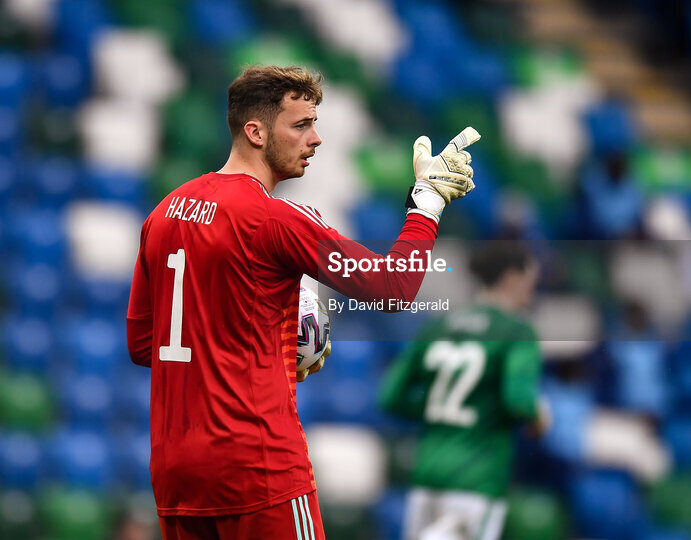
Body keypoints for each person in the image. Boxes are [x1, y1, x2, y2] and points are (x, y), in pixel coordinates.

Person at [125, 65, 480, 540]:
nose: (315, 139)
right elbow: (393, 288)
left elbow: (144, 344)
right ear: (255, 131)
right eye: (300, 125)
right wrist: (428, 204)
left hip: (177, 474)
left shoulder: (163, 212)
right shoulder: (274, 218)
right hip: (258, 466)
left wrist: (251, 343)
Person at [378, 240, 550, 540]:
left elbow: (390, 396)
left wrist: (437, 408)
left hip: (427, 475)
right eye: (530, 279)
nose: (533, 288)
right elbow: (518, 400)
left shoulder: (437, 327)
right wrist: (539, 415)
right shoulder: (517, 331)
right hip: (476, 478)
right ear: (512, 277)